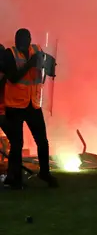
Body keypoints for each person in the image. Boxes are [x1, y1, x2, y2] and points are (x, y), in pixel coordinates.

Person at [2, 28, 57, 189]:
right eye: (20, 40)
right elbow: (12, 77)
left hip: (33, 104)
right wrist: (29, 65)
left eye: (26, 39)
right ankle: (15, 179)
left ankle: (45, 173)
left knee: (42, 141)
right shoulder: (9, 54)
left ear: (30, 39)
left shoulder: (37, 49)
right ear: (16, 40)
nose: (23, 43)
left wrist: (50, 66)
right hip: (15, 105)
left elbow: (47, 64)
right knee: (17, 144)